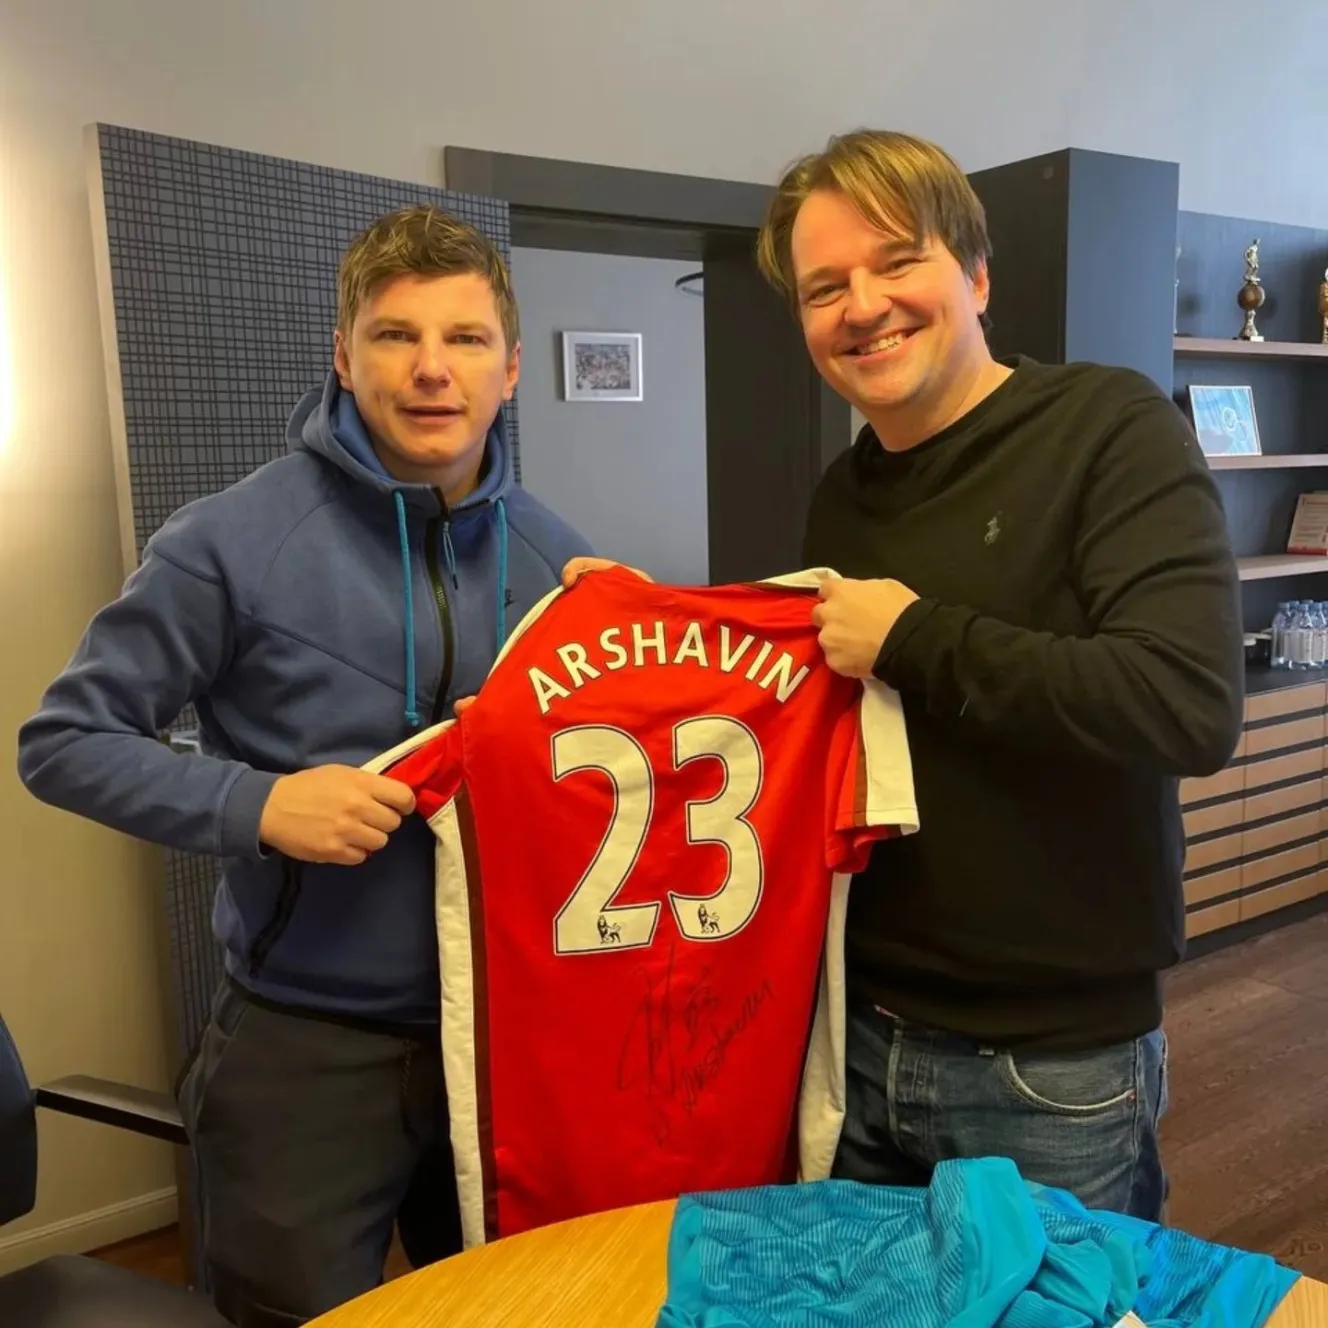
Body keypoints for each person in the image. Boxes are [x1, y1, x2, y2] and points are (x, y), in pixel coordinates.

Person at [17, 204, 593, 1326]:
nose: (431, 369)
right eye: (394, 335)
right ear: (343, 353)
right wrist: (259, 801)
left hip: (507, 1036)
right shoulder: (227, 542)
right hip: (303, 1042)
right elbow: (64, 742)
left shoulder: (559, 554)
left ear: (511, 367)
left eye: (466, 339)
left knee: (508, 1309)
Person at [747, 128, 1245, 1220]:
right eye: (823, 286)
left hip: (1049, 1068)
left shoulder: (1108, 429)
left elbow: (1187, 703)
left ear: (973, 273)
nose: (860, 304)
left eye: (893, 261)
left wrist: (915, 636)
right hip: (855, 1040)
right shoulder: (840, 491)